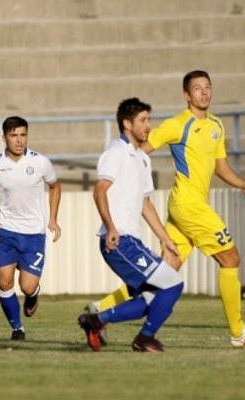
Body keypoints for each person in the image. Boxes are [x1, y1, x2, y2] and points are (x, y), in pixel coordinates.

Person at [87, 70, 245, 348]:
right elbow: (141, 148)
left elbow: (220, 166)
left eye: (208, 87)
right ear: (186, 95)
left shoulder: (217, 125)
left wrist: (243, 184)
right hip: (189, 205)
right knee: (231, 258)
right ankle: (238, 331)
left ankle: (100, 310)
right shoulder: (178, 124)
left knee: (164, 273)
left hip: (187, 207)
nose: (204, 92)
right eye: (197, 88)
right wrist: (124, 174)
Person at [77, 98, 184, 353]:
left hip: (131, 241)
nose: (148, 126)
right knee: (173, 283)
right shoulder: (116, 152)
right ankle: (144, 338)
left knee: (151, 299)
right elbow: (99, 191)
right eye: (143, 120)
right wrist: (111, 227)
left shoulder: (142, 158)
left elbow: (146, 204)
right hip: (119, 240)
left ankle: (96, 321)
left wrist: (166, 239)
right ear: (127, 124)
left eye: (149, 120)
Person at [0, 116, 62, 340]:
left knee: (27, 287)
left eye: (23, 135)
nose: (19, 140)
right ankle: (17, 328)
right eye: (14, 135)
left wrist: (53, 218)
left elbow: (55, 186)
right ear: (4, 137)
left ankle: (33, 294)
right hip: (5, 231)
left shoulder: (40, 162)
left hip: (33, 234)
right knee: (5, 281)